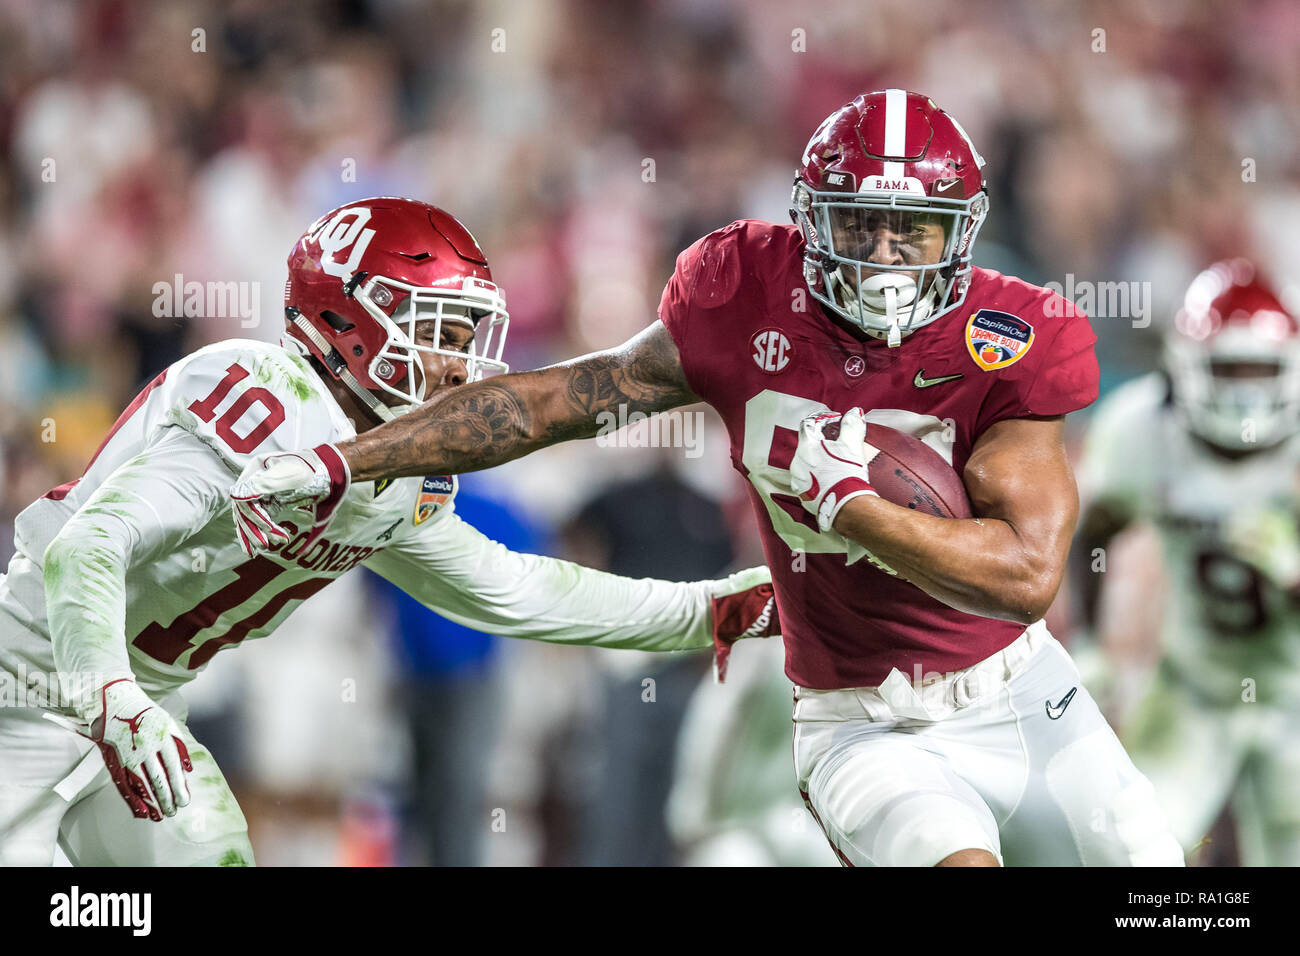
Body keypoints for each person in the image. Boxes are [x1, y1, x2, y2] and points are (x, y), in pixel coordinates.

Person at [230, 93, 1183, 866]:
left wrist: (853, 510)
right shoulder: (740, 295)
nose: (887, 258)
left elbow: (1024, 578)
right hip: (862, 721)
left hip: (1016, 688)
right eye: (863, 226)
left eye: (915, 233)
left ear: (962, 235)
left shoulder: (1010, 335)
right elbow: (549, 404)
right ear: (811, 220)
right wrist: (343, 461)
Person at [0, 197, 777, 866]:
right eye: (439, 329)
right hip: (30, 685)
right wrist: (111, 697)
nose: (458, 364)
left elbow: (517, 589)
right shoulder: (266, 393)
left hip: (136, 708)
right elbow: (87, 546)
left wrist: (708, 610)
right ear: (348, 316)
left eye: (469, 336)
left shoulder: (395, 474)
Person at [1074, 259, 1300, 866]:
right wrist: (1094, 642)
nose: (1246, 390)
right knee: (1135, 855)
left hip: (1295, 696)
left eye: (1261, 369)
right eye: (1231, 369)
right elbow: (1094, 531)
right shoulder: (1141, 429)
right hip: (1192, 687)